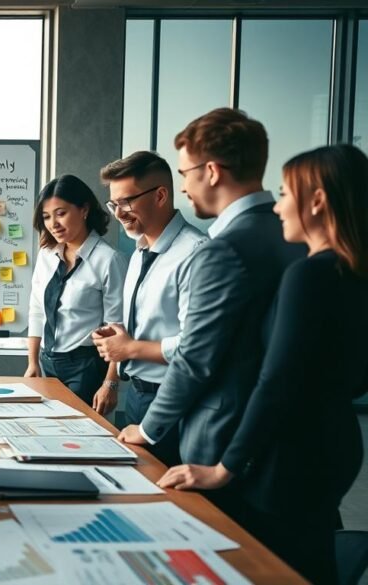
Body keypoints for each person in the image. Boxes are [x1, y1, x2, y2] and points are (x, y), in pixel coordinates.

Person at [158, 144, 368, 584]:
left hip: (292, 454)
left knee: (275, 569)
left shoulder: (309, 274)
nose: (277, 207)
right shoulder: (351, 272)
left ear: (317, 201)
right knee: (310, 560)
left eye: (285, 193)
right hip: (338, 442)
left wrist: (224, 468)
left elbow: (276, 382)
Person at [117, 108, 304, 517]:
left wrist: (147, 430)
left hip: (226, 441)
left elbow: (195, 358)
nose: (184, 186)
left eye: (185, 173)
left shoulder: (222, 250)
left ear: (213, 171)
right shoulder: (297, 236)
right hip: (296, 439)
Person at [92, 151, 207, 467]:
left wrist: (130, 347)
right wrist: (119, 340)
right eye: (113, 204)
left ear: (160, 196)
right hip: (137, 396)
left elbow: (196, 346)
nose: (119, 214)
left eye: (126, 202)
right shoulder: (139, 252)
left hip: (175, 401)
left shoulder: (195, 254)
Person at [26, 174, 127, 413]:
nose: (53, 224)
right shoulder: (47, 255)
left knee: (75, 431)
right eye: (46, 217)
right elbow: (37, 310)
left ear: (84, 210)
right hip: (48, 361)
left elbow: (118, 327)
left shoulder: (108, 259)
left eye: (61, 213)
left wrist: (110, 383)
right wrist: (32, 361)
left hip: (86, 366)